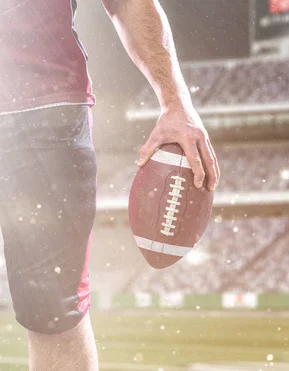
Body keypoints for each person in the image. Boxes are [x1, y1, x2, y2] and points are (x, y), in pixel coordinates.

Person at [0, 0, 219, 369]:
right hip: (45, 112)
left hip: (42, 110)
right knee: (55, 315)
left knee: (55, 315)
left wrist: (176, 100)